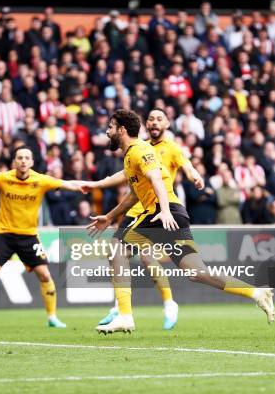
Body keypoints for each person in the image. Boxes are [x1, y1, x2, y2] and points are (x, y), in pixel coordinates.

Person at [86, 110, 275, 334]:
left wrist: (164, 210)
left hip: (162, 212)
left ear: (122, 130)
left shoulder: (141, 150)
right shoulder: (130, 157)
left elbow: (157, 178)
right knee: (197, 272)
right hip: (172, 213)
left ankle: (125, 315)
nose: (107, 131)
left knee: (117, 250)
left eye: (110, 127)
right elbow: (135, 196)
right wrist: (109, 216)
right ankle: (256, 293)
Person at [81, 108, 205, 330]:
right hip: (134, 208)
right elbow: (126, 175)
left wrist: (194, 175)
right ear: (145, 124)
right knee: (117, 253)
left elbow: (187, 166)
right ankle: (121, 308)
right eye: (151, 119)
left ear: (167, 124)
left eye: (159, 119)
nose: (154, 122)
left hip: (157, 208)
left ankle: (166, 303)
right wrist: (99, 186)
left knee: (143, 257)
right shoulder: (138, 146)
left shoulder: (172, 148)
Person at [0, 145, 85, 330]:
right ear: (14, 161)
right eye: (19, 157)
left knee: (45, 275)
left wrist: (89, 186)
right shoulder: (3, 178)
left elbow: (66, 183)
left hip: (29, 237)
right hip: (5, 235)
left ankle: (52, 317)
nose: (23, 161)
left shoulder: (41, 180)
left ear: (32, 162)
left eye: (26, 157)